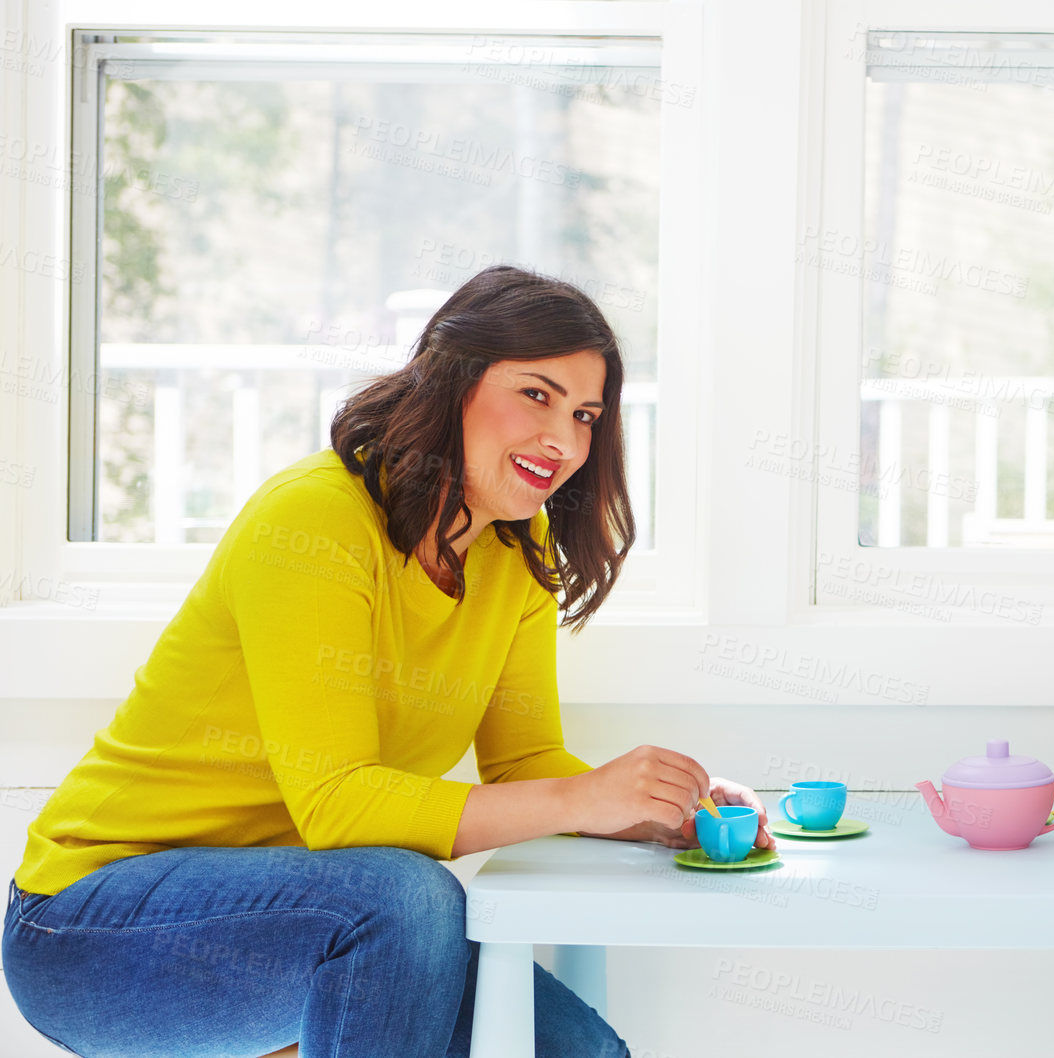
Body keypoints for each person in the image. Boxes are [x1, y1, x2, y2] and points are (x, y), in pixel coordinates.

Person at [2, 266, 770, 1058]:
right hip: (86, 925)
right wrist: (584, 796)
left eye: (584, 414)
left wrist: (658, 813)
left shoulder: (516, 548)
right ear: (453, 380)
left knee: (581, 1052)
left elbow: (526, 765)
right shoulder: (316, 518)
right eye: (536, 396)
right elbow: (337, 806)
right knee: (405, 900)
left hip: (322, 919)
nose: (566, 441)